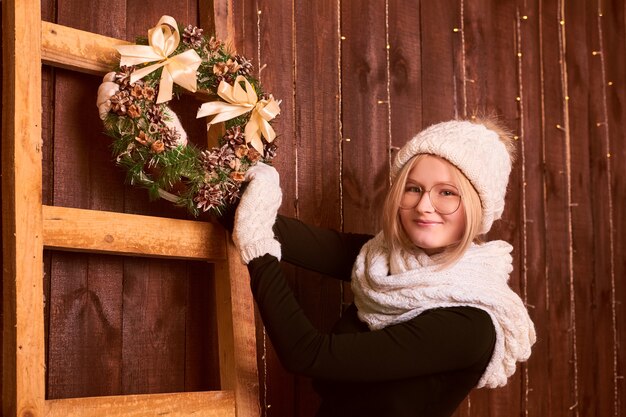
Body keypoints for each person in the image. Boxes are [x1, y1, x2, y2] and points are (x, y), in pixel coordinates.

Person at [231, 118, 536, 417]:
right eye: (414, 188)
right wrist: (189, 160)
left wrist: (258, 251)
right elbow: (254, 220)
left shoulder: (471, 323)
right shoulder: (378, 261)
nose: (424, 206)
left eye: (447, 193)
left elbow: (307, 354)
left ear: (477, 207)